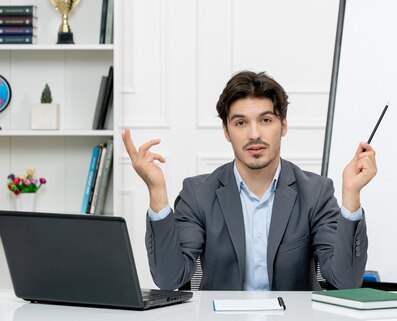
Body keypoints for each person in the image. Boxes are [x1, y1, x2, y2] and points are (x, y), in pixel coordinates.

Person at [122, 71, 377, 291]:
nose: (254, 134)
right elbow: (169, 279)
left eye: (266, 120)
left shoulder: (316, 192)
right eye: (241, 122)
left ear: (283, 125)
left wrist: (351, 195)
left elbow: (345, 282)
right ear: (226, 131)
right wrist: (156, 190)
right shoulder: (198, 193)